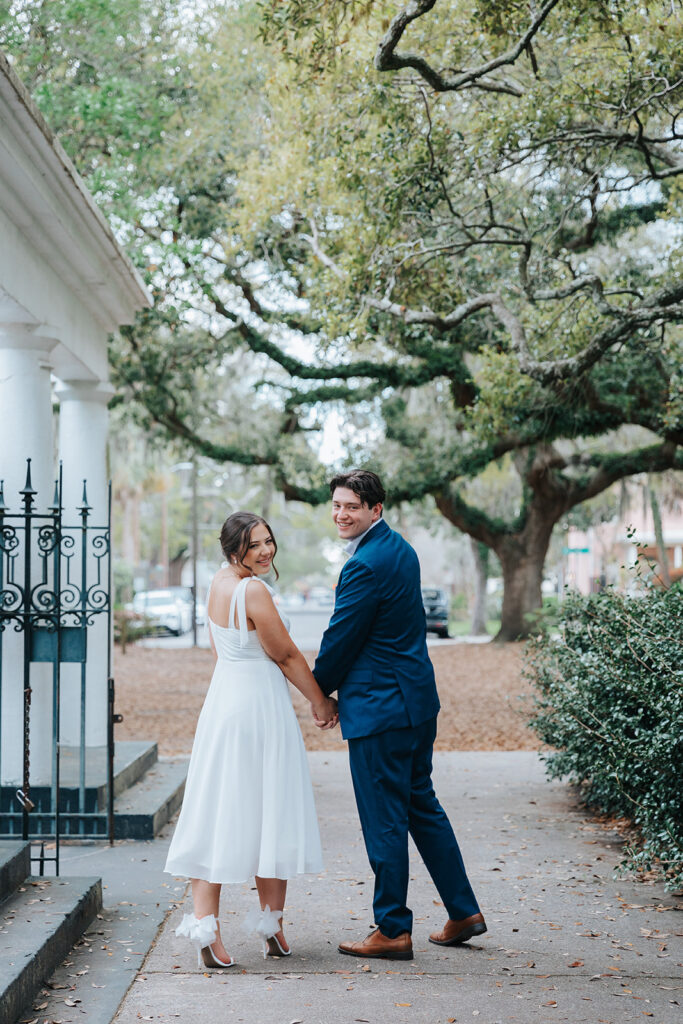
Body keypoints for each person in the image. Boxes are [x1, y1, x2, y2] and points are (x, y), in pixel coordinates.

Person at [312, 470, 486, 960]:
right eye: (337, 505)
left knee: (385, 819)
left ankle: (392, 928)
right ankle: (463, 911)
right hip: (414, 703)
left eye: (352, 506)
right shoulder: (401, 549)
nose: (342, 514)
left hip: (380, 709)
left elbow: (341, 639)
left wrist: (319, 691)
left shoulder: (364, 564)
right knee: (421, 808)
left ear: (376, 510)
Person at [165, 511, 338, 968]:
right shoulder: (253, 590)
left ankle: (211, 928)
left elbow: (217, 648)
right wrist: (321, 701)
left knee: (220, 809)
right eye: (254, 544)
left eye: (268, 541)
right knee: (270, 809)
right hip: (259, 707)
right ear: (232, 548)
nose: (265, 551)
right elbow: (284, 654)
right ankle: (271, 926)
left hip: (224, 702)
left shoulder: (219, 583)